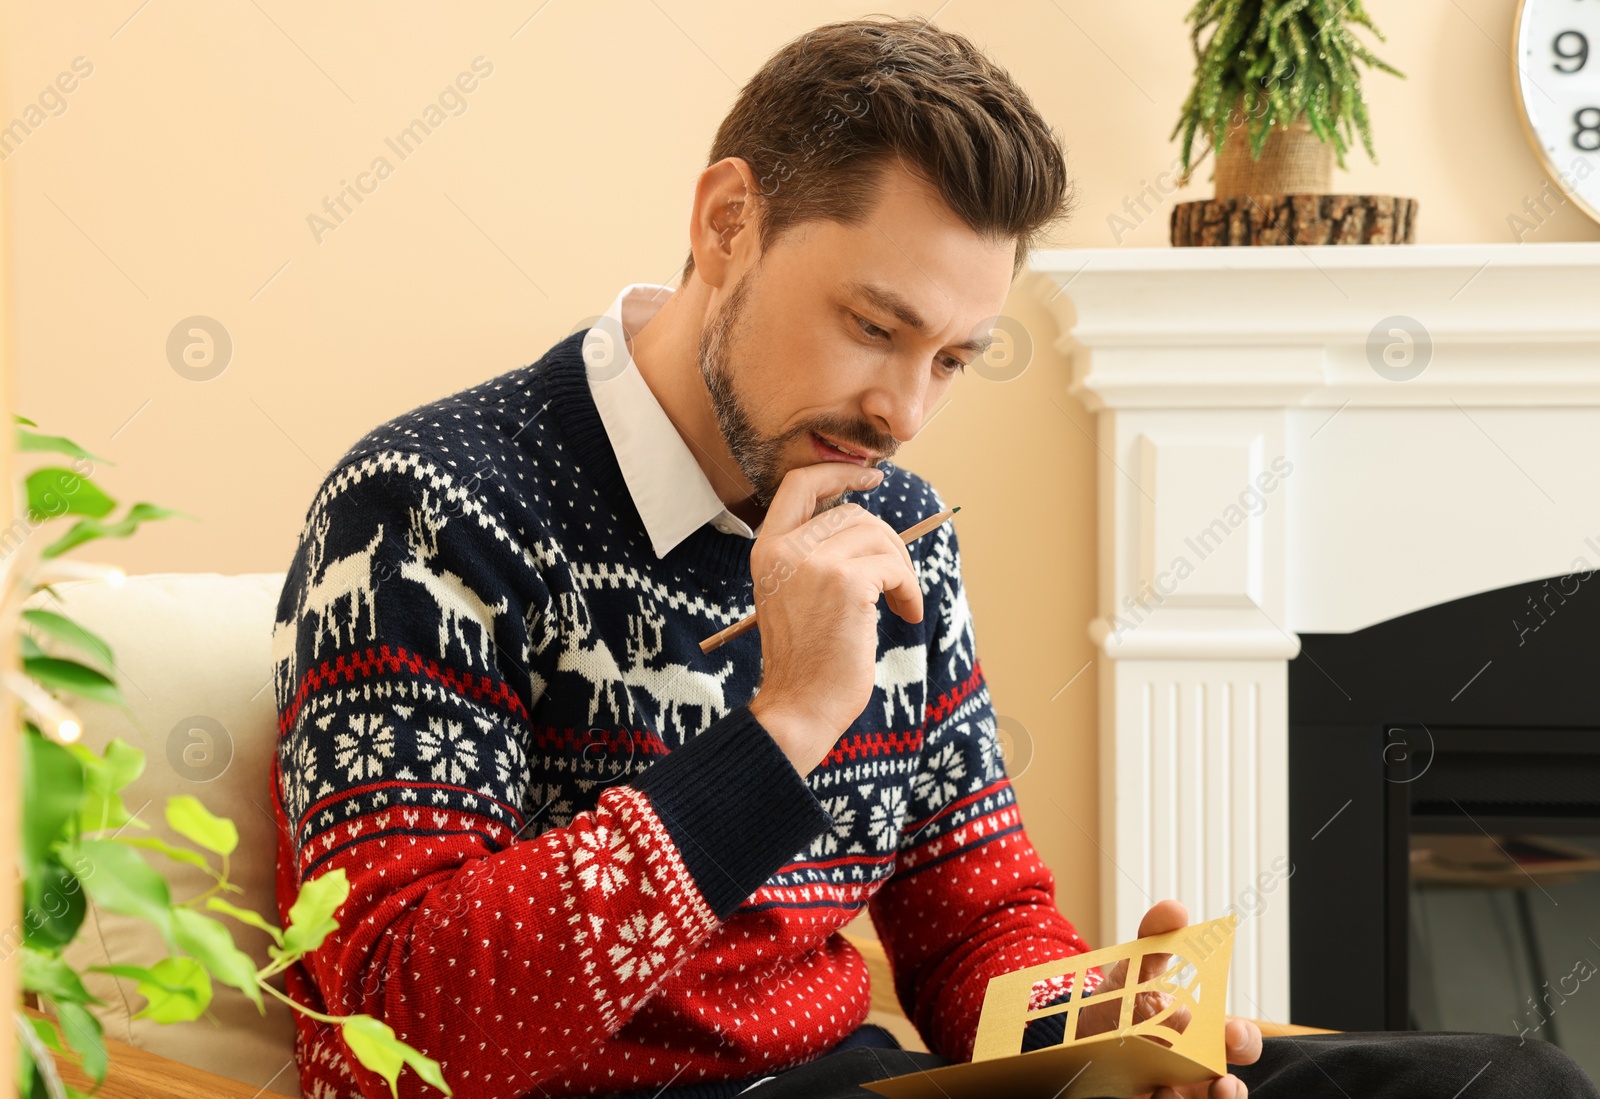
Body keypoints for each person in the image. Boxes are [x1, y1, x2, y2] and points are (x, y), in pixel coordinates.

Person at [269, 16, 1599, 1099]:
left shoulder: (892, 523)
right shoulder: (427, 511)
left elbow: (973, 930)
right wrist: (784, 726)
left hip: (855, 1082)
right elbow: (401, 1026)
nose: (902, 412)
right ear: (728, 222)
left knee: (1506, 1083)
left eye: (952, 358)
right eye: (871, 325)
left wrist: (1108, 1044)